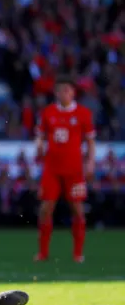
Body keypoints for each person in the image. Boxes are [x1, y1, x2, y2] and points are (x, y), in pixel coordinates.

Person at [35, 78, 96, 263]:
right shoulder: (48, 112)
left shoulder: (83, 113)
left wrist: (90, 162)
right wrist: (39, 146)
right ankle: (43, 252)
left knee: (77, 210)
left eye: (67, 91)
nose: (64, 94)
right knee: (46, 208)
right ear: (56, 93)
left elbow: (90, 141)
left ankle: (78, 253)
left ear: (73, 93)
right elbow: (40, 135)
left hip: (74, 170)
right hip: (52, 169)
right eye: (60, 91)